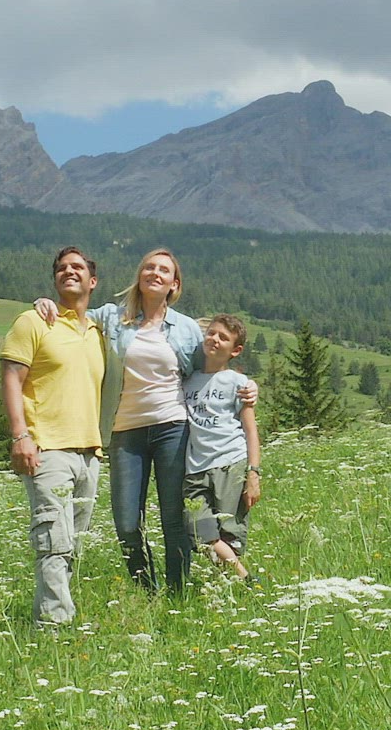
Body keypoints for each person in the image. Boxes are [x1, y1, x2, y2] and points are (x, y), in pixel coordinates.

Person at [37, 248, 252, 594]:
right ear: (139, 276)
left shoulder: (186, 329)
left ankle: (178, 593)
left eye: (164, 270)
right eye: (149, 267)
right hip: (125, 432)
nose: (155, 273)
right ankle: (147, 590)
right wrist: (44, 303)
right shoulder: (112, 316)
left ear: (174, 284)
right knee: (126, 523)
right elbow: (73, 313)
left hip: (173, 428)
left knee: (174, 518)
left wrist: (247, 386)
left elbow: (213, 370)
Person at [0, 247, 105, 624]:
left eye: (77, 267)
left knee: (73, 544)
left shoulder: (99, 332)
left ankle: (57, 616)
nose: (68, 272)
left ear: (93, 281)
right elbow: (11, 378)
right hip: (47, 449)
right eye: (61, 268)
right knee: (53, 542)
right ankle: (54, 629)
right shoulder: (33, 321)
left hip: (90, 453)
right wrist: (20, 436)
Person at [182, 314, 262, 582]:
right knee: (198, 530)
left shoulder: (238, 383)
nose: (214, 339)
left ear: (235, 350)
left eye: (223, 338)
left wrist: (253, 473)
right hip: (195, 468)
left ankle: (231, 590)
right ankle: (247, 580)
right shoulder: (188, 380)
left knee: (230, 533)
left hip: (230, 464)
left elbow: (251, 431)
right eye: (211, 333)